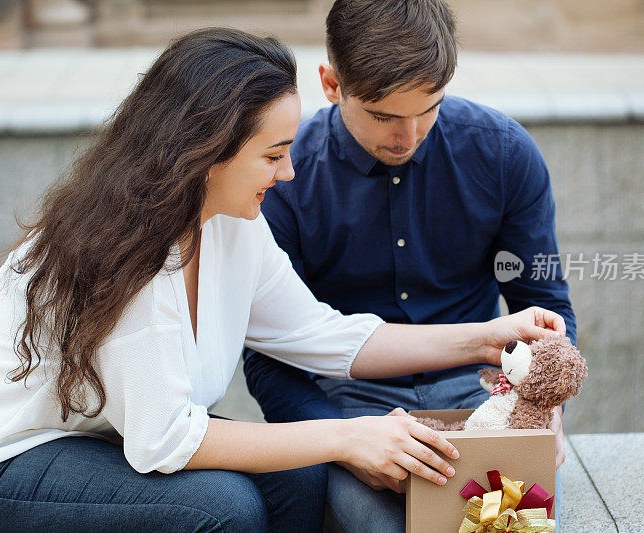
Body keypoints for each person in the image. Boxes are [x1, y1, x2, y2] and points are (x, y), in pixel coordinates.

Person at [0, 28, 566, 533]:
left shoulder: (231, 223)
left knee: (302, 478)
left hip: (95, 437)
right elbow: (164, 439)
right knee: (222, 507)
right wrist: (349, 433)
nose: (288, 174)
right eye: (274, 154)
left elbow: (326, 337)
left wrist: (486, 336)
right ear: (206, 153)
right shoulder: (126, 251)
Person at [242, 1, 578, 531]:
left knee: (513, 523)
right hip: (351, 401)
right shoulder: (284, 177)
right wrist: (342, 440)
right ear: (331, 84)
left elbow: (547, 306)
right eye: (384, 116)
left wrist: (541, 409)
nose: (410, 135)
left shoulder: (504, 153)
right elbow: (268, 355)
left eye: (430, 109)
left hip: (484, 392)